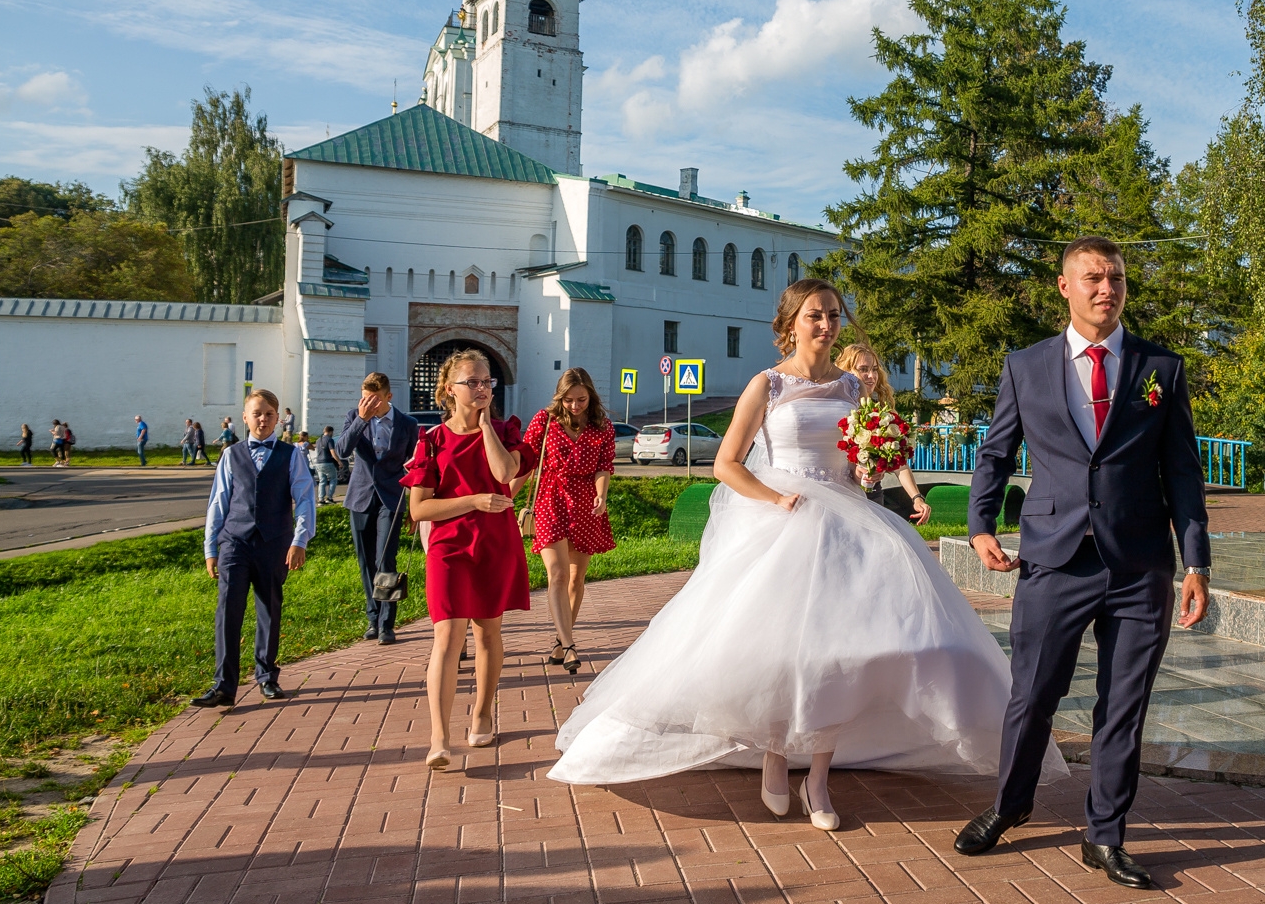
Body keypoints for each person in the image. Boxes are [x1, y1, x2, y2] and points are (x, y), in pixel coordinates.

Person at [550, 279, 1063, 832]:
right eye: (815, 316)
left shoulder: (850, 387)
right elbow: (727, 464)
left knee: (840, 652)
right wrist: (775, 498)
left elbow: (854, 462)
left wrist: (868, 468)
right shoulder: (766, 385)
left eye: (834, 315)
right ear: (791, 323)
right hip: (783, 520)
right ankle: (775, 754)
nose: (826, 325)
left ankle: (818, 776)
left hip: (846, 522)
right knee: (780, 650)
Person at [960, 236, 1211, 891]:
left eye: (1117, 278)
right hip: (1053, 557)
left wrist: (1196, 561)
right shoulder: (1026, 365)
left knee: (1122, 704)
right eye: (1094, 278)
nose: (1108, 288)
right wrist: (981, 522)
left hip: (1141, 566)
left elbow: (1183, 469)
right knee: (1033, 694)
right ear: (1065, 287)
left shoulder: (1162, 367)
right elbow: (996, 452)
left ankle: (1105, 833)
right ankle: (1012, 802)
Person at [401, 350, 532, 769]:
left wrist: (486, 425)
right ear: (448, 390)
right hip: (449, 547)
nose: (481, 388)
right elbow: (419, 510)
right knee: (448, 636)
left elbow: (504, 474)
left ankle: (482, 712)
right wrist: (472, 500)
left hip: (494, 543)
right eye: (472, 382)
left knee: (488, 633)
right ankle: (439, 737)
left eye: (487, 382)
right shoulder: (432, 440)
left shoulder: (506, 431)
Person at [193, 390, 316, 709]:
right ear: (245, 418)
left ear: (279, 418)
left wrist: (299, 540)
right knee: (227, 611)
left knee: (269, 608)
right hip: (235, 542)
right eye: (256, 413)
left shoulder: (292, 455)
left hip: (275, 543)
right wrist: (211, 547)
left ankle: (267, 675)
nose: (263, 419)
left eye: (269, 414)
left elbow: (304, 500)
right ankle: (224, 685)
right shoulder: (231, 455)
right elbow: (218, 502)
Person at [519, 369, 617, 675]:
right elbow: (526, 463)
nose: (575, 406)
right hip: (550, 499)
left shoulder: (602, 425)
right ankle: (570, 645)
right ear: (560, 397)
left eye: (582, 400)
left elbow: (605, 466)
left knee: (577, 577)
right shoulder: (543, 420)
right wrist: (505, 497)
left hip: (587, 503)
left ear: (591, 396)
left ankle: (561, 642)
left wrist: (601, 495)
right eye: (569, 400)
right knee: (558, 575)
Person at [341, 374, 420, 646]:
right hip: (360, 498)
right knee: (366, 563)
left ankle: (387, 624)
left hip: (392, 499)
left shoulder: (408, 424)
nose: (368, 404)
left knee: (386, 561)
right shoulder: (354, 416)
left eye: (374, 399)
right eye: (364, 398)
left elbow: (416, 468)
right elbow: (342, 450)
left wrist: (414, 507)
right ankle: (372, 619)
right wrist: (361, 420)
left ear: (388, 396)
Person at [835, 343, 932, 525]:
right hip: (841, 497)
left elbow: (899, 464)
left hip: (873, 497)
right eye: (863, 369)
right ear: (845, 371)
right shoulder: (834, 409)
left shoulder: (883, 415)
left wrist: (917, 497)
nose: (871, 376)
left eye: (874, 369)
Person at [312, 425, 342, 504]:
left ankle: (321, 499)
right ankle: (330, 497)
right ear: (330, 432)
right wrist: (339, 461)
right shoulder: (329, 439)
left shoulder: (318, 440)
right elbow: (332, 452)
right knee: (333, 479)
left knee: (322, 481)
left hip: (318, 463)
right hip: (327, 462)